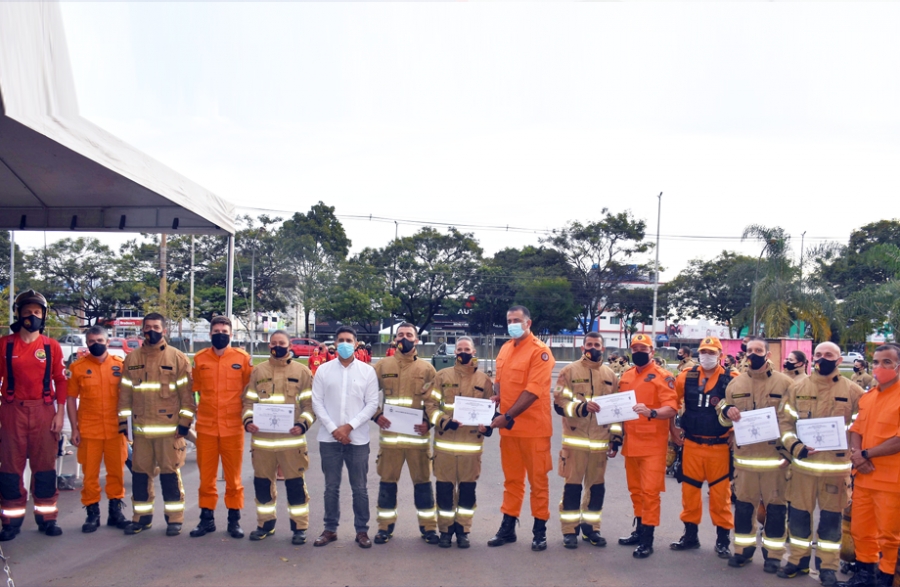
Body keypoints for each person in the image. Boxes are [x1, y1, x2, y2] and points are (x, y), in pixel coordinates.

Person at [777, 342, 863, 586]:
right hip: (803, 468)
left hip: (835, 470)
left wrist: (855, 454)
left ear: (839, 361)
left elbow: (860, 428)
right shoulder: (797, 388)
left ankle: (827, 567)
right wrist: (795, 447)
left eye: (829, 355)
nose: (822, 359)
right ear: (812, 358)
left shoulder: (854, 392)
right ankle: (797, 561)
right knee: (798, 518)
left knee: (831, 523)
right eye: (818, 354)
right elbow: (785, 424)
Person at [716, 336, 793, 574]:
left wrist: (789, 452)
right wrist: (727, 411)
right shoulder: (735, 385)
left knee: (776, 510)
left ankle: (773, 556)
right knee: (744, 508)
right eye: (750, 350)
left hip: (775, 461)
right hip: (745, 461)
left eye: (759, 350)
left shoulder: (785, 383)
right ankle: (743, 551)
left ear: (768, 354)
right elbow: (722, 418)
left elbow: (792, 420)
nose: (754, 354)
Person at [117, 312, 194, 536]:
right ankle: (141, 518)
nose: (151, 330)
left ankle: (174, 520)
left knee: (170, 476)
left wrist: (185, 423)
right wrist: (124, 422)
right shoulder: (132, 359)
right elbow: (124, 395)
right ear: (142, 329)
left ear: (164, 330)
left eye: (156, 327)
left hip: (169, 432)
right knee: (140, 476)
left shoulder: (177, 358)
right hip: (141, 432)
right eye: (147, 326)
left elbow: (187, 396)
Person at [0, 290, 68, 540]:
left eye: (37, 312)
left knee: (45, 469)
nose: (32, 316)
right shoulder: (5, 344)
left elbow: (61, 381)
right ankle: (10, 521)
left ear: (44, 315)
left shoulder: (52, 346)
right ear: (18, 314)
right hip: (11, 411)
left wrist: (60, 414)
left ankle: (47, 518)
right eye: (27, 312)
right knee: (9, 470)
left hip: (43, 411)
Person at [487, 306, 555, 552]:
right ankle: (508, 527)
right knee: (512, 481)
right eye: (509, 320)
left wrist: (507, 415)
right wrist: (497, 397)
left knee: (538, 482)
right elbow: (499, 381)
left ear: (528, 323)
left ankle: (540, 531)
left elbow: (533, 392)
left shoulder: (541, 352)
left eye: (517, 320)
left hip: (534, 430)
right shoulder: (505, 348)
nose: (512, 324)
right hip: (510, 430)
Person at [242, 330, 315, 544]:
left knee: (295, 486)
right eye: (273, 343)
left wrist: (302, 425)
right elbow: (248, 403)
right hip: (262, 442)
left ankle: (299, 527)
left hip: (292, 443)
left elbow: (310, 406)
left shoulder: (302, 372)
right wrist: (248, 421)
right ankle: (265, 524)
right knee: (263, 485)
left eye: (281, 342)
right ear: (268, 345)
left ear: (289, 344)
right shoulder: (258, 371)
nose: (277, 346)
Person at [669, 336, 739, 559]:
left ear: (720, 355)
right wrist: (672, 429)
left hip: (718, 446)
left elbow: (743, 409)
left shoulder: (732, 379)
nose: (707, 356)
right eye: (704, 352)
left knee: (720, 496)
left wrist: (735, 434)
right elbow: (672, 401)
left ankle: (722, 541)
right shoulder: (685, 377)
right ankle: (690, 536)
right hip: (691, 444)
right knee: (689, 494)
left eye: (712, 352)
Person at [311, 326, 379, 549]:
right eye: (340, 339)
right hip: (329, 439)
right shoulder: (323, 370)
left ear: (356, 343)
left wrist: (349, 427)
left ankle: (362, 531)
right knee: (331, 487)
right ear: (334, 343)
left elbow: (371, 405)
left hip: (357, 439)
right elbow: (317, 403)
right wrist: (334, 429)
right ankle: (330, 529)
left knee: (359, 488)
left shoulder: (367, 371)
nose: (344, 343)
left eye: (349, 340)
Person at [423, 337, 494, 548]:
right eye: (459, 349)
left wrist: (487, 427)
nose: (463, 352)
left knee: (467, 492)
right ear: (455, 353)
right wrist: (445, 421)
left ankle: (463, 530)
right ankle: (445, 531)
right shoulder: (441, 376)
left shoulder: (484, 381)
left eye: (467, 349)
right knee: (444, 491)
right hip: (444, 446)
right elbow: (430, 406)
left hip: (471, 448)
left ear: (474, 351)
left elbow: (490, 411)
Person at [552, 332, 621, 549]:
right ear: (583, 347)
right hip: (575, 442)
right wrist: (581, 407)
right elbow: (559, 403)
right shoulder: (569, 371)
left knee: (597, 489)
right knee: (572, 488)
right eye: (589, 344)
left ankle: (591, 529)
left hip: (600, 444)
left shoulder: (610, 374)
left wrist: (616, 438)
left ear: (603, 348)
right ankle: (570, 530)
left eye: (597, 344)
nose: (593, 348)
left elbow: (616, 411)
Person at [371, 323, 438, 544]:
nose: (405, 338)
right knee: (387, 484)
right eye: (400, 335)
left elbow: (436, 401)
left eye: (409, 335)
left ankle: (429, 528)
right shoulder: (382, 366)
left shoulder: (428, 370)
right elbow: (367, 396)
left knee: (423, 484)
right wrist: (377, 415)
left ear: (417, 340)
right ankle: (384, 528)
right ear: (395, 339)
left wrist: (428, 423)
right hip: (390, 442)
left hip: (418, 441)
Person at [840, 344, 900, 587]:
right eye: (876, 361)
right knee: (862, 531)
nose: (879, 367)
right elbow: (856, 430)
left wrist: (865, 454)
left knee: (889, 536)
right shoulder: (869, 397)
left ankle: (886, 579)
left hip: (891, 481)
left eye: (887, 362)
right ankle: (864, 577)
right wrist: (857, 455)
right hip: (864, 477)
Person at [189, 316, 252, 539]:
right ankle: (206, 520)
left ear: (231, 335)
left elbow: (249, 394)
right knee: (206, 478)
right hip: (206, 427)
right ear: (210, 334)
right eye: (216, 330)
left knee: (234, 479)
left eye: (224, 330)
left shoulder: (243, 359)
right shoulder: (199, 359)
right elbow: (194, 390)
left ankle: (234, 520)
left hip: (233, 428)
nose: (220, 334)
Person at [615, 333, 678, 559]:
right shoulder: (627, 376)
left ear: (652, 352)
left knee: (650, 493)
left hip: (652, 445)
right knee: (636, 491)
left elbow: (672, 408)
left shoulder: (663, 376)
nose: (638, 352)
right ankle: (639, 529)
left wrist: (652, 412)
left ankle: (647, 539)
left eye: (643, 348)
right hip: (631, 443)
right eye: (635, 348)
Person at [66, 325, 129, 533]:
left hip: (115, 430)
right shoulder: (78, 368)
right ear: (87, 343)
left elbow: (130, 397)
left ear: (107, 341)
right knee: (90, 475)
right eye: (92, 342)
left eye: (100, 341)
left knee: (116, 473)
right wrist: (74, 429)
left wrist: (129, 426)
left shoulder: (121, 366)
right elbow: (70, 400)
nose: (96, 345)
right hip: (89, 430)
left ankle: (116, 513)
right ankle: (92, 514)